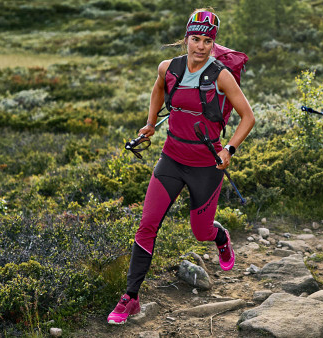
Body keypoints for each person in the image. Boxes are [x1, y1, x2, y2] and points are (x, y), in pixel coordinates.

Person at [107, 8, 255, 325]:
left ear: (213, 44)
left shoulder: (221, 75)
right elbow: (159, 88)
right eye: (195, 39)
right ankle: (131, 298)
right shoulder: (168, 68)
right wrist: (150, 123)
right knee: (147, 225)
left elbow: (248, 117)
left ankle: (220, 238)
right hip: (171, 160)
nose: (200, 46)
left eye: (206, 41)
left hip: (206, 167)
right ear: (186, 39)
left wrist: (229, 148)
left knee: (200, 232)